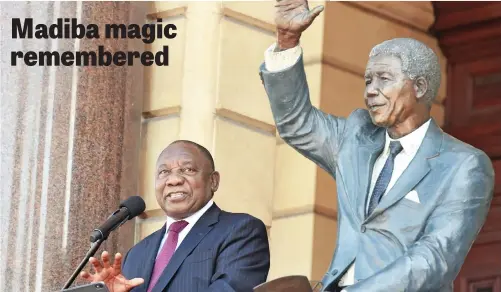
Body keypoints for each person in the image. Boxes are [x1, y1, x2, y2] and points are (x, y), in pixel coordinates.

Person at [259, 0, 495, 291]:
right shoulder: (355, 138)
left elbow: (435, 258)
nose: (371, 90)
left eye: (384, 79)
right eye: (368, 80)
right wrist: (287, 41)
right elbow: (297, 123)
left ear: (419, 87)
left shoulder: (464, 165)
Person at [80, 140, 270, 292]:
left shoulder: (241, 230)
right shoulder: (137, 254)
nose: (174, 180)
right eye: (164, 172)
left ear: (213, 181)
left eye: (188, 170)